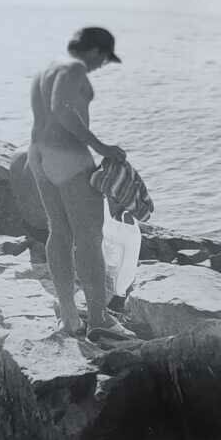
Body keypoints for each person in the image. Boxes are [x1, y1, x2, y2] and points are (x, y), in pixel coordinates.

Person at [28, 27, 136, 341]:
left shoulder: (47, 68)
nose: (102, 65)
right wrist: (101, 148)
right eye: (103, 58)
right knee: (89, 236)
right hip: (69, 156)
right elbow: (62, 109)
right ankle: (100, 319)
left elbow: (47, 111)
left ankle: (70, 318)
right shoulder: (73, 68)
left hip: (38, 155)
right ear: (94, 51)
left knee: (58, 232)